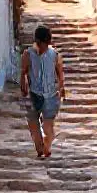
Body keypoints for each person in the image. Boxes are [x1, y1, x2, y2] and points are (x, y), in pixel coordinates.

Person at [20, 25, 66, 159]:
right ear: (37, 42)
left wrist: (61, 88)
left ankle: (47, 147)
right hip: (34, 94)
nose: (44, 47)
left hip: (51, 95)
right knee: (33, 124)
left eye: (46, 44)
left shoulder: (54, 55)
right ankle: (40, 148)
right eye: (42, 44)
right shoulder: (28, 55)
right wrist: (23, 86)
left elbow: (60, 73)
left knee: (48, 127)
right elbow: (23, 72)